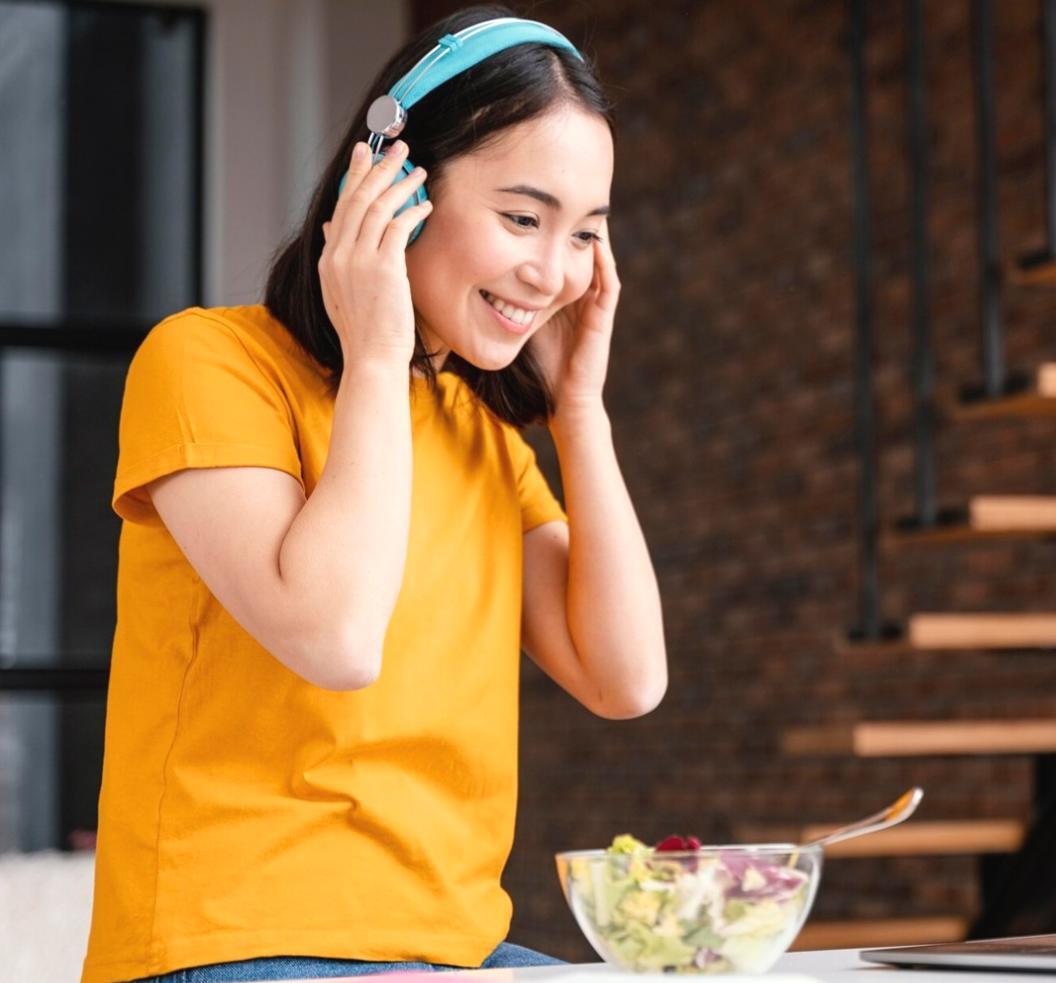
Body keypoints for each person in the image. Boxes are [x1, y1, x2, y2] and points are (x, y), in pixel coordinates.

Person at [81, 8, 667, 981]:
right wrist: (377, 358)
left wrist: (579, 413)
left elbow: (626, 678)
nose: (552, 271)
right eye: (522, 218)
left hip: (448, 951)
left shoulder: (482, 433)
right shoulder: (206, 363)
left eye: (584, 236)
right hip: (234, 941)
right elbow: (337, 638)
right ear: (390, 186)